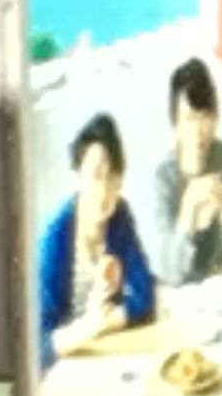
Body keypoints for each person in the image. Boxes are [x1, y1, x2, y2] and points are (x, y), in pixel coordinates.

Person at [35, 113, 154, 361]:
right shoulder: (53, 237)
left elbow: (145, 296)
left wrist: (105, 322)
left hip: (108, 349)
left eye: (112, 176)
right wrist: (90, 325)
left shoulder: (119, 216)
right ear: (78, 175)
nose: (104, 189)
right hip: (66, 363)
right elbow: (40, 345)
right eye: (96, 175)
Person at [147, 55, 222, 284]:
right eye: (189, 119)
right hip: (180, 296)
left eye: (205, 117)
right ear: (175, 123)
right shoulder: (163, 177)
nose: (198, 131)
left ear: (215, 118)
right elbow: (167, 273)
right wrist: (188, 213)